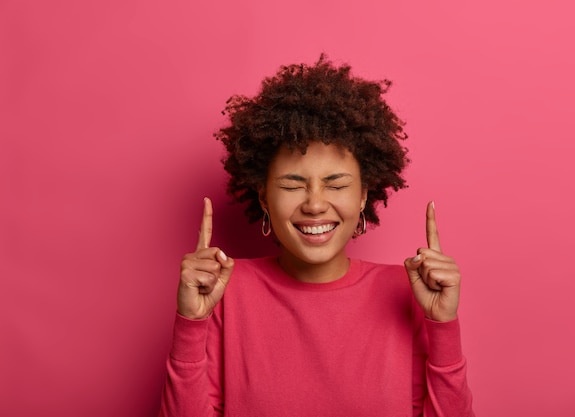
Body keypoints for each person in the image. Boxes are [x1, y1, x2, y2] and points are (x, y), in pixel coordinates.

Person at [159, 55, 474, 416]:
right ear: (264, 196)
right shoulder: (222, 290)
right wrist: (191, 324)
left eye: (335, 184)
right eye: (293, 185)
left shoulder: (410, 291)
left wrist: (443, 326)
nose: (314, 204)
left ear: (362, 196)